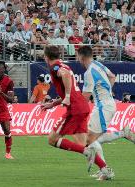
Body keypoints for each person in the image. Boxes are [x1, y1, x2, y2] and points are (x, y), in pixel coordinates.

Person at [41, 46, 113, 180]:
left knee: (52, 139)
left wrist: (67, 96)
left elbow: (65, 75)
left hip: (74, 109)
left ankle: (88, 152)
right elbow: (69, 84)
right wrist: (53, 103)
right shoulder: (63, 64)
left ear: (46, 57)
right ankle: (105, 169)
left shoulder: (55, 67)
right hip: (82, 106)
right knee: (82, 143)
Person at [78, 46, 135, 179]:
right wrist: (107, 90)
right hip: (106, 104)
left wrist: (71, 103)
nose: (78, 60)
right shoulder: (98, 64)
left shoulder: (89, 72)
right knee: (94, 139)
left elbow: (85, 96)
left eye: (77, 57)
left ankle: (105, 171)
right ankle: (123, 133)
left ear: (81, 57)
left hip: (103, 106)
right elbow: (112, 76)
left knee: (90, 140)